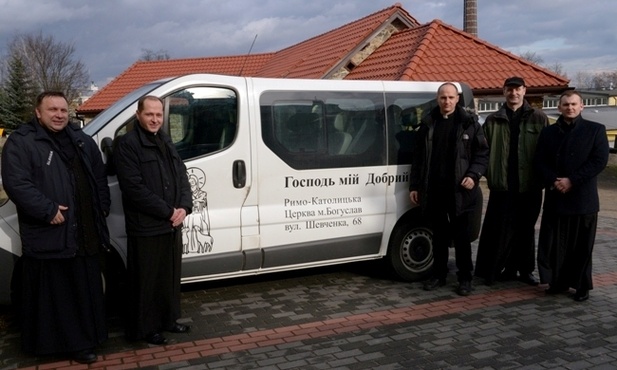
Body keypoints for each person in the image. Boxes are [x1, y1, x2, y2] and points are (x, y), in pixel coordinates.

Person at [1, 91, 110, 364]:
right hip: (51, 233)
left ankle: (89, 339)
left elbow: (99, 178)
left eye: (63, 110)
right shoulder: (22, 142)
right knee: (59, 295)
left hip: (84, 233)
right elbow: (17, 183)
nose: (59, 114)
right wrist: (47, 210)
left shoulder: (82, 141)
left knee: (84, 290)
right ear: (38, 112)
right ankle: (66, 346)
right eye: (52, 110)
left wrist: (102, 207)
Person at [114, 95, 193, 344]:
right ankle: (146, 329)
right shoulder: (127, 144)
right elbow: (134, 189)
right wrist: (168, 212)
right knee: (146, 281)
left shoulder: (165, 140)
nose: (155, 119)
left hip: (171, 225)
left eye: (159, 115)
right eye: (150, 114)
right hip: (146, 226)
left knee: (168, 278)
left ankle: (168, 320)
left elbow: (181, 175)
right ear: (138, 115)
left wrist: (184, 207)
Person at [409, 82, 489, 296]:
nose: (447, 101)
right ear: (438, 99)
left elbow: (482, 155)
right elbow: (418, 159)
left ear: (457, 99)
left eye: (451, 97)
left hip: (460, 191)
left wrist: (473, 175)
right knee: (439, 236)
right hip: (434, 189)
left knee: (462, 237)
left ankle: (465, 278)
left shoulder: (469, 123)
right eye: (443, 97)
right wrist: (415, 185)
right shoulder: (428, 123)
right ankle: (439, 274)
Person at [535, 90, 609, 302]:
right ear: (559, 107)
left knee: (582, 246)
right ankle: (557, 282)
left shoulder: (595, 130)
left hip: (582, 198)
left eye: (574, 104)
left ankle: (581, 286)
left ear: (582, 106)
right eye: (566, 104)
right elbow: (539, 161)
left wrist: (572, 180)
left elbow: (599, 161)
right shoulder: (548, 132)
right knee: (556, 245)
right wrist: (554, 180)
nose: (570, 108)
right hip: (556, 196)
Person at [474, 77, 548, 286]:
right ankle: (495, 270)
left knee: (525, 229)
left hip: (530, 185)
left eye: (517, 90)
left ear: (524, 91)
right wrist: (490, 174)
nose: (513, 93)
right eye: (509, 90)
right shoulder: (493, 120)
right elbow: (483, 151)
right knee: (499, 229)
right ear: (504, 91)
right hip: (502, 185)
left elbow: (546, 150)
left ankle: (524, 270)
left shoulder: (538, 118)